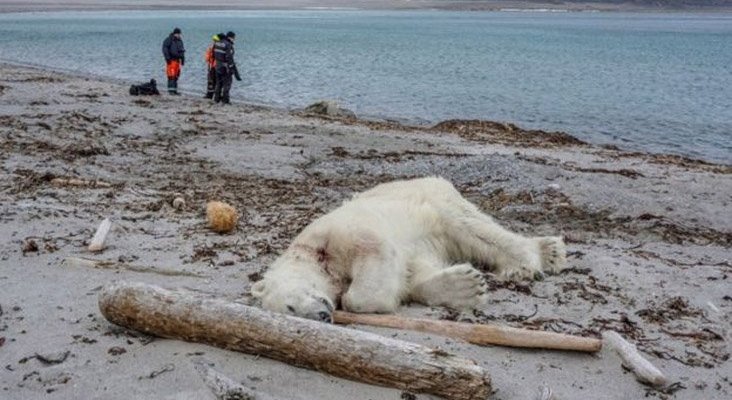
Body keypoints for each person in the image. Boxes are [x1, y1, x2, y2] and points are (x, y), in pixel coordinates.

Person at [212, 31, 241, 104]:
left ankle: (216, 99)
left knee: (218, 83)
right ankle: (225, 100)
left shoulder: (217, 43)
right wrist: (231, 67)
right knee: (227, 83)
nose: (234, 39)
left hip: (217, 65)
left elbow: (213, 54)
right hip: (225, 67)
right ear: (230, 37)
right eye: (234, 38)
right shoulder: (228, 45)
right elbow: (229, 57)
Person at [162, 27, 185, 95]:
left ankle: (174, 90)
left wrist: (183, 59)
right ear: (175, 33)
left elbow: (182, 51)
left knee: (176, 76)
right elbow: (165, 49)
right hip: (171, 60)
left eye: (179, 34)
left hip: (177, 61)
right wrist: (167, 58)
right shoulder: (169, 40)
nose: (179, 35)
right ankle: (171, 91)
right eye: (178, 34)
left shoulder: (180, 41)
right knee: (171, 76)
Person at [204, 33, 224, 99]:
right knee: (216, 82)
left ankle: (211, 95)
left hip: (213, 66)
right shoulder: (216, 47)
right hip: (215, 66)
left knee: (212, 82)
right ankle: (215, 96)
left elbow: (207, 57)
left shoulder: (213, 46)